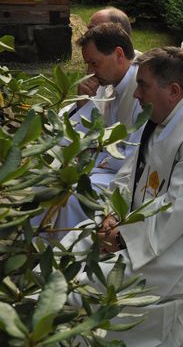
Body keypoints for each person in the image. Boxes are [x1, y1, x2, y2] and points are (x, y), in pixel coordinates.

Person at [62, 47, 183, 346]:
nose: (136, 94)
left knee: (89, 284)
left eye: (142, 86)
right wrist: (110, 215)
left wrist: (122, 238)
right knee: (70, 248)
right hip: (153, 224)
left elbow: (177, 210)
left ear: (174, 90)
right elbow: (131, 173)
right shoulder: (166, 109)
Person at [55, 23, 142, 233]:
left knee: (74, 194)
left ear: (118, 54)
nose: (90, 72)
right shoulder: (109, 80)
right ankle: (38, 242)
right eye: (88, 64)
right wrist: (84, 103)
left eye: (95, 63)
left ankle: (67, 252)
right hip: (107, 162)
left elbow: (136, 152)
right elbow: (100, 129)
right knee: (51, 177)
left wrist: (96, 156)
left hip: (128, 176)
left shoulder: (141, 88)